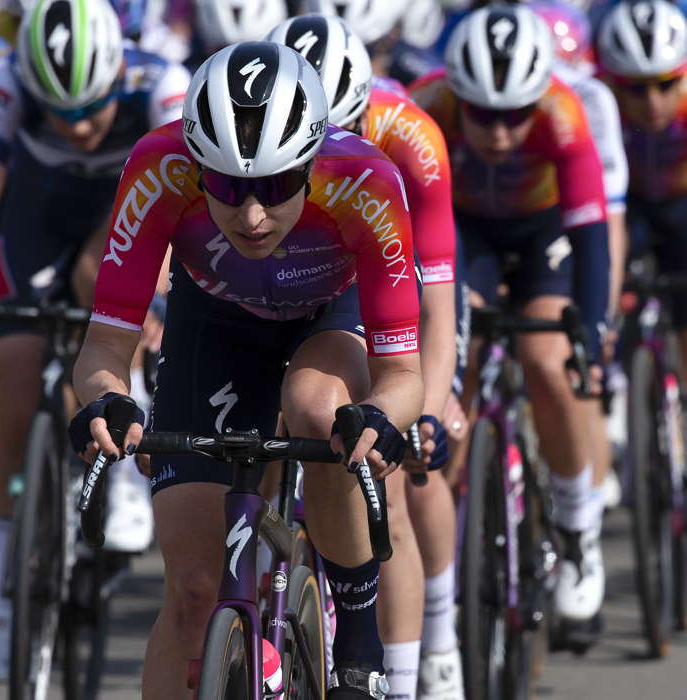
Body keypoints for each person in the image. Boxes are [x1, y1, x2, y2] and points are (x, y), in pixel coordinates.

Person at [69, 41, 425, 700]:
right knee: (194, 593)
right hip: (217, 324)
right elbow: (103, 353)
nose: (253, 215)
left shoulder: (369, 184)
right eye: (228, 188)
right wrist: (107, 400)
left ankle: (357, 633)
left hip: (326, 316)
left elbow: (404, 372)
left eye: (279, 185)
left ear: (314, 162)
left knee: (319, 407)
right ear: (198, 169)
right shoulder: (158, 168)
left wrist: (381, 416)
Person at [0, 0, 190, 679]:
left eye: (90, 111)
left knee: (95, 274)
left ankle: (125, 438)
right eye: (59, 113)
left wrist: (156, 299)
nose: (76, 127)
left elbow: (180, 207)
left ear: (118, 76)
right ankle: (9, 600)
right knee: (12, 375)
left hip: (124, 217)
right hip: (36, 214)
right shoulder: (7, 77)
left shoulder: (159, 82)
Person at [268, 14, 461, 700]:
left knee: (394, 484)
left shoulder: (409, 137)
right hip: (272, 295)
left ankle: (411, 673)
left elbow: (435, 302)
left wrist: (427, 412)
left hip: (377, 291)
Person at [410, 3, 610, 651]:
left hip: (544, 227)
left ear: (537, 99)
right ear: (456, 94)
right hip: (465, 230)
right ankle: (446, 526)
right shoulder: (428, 105)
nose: (498, 133)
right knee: (451, 362)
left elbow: (590, 231)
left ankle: (579, 532)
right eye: (483, 116)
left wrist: (594, 328)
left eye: (513, 116)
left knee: (546, 358)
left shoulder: (562, 112)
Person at [532, 0, 629, 508]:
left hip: (562, 219)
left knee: (561, 357)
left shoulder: (587, 100)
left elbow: (605, 221)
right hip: (498, 226)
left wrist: (600, 323)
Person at [597, 0, 687, 382]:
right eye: (635, 88)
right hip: (628, 203)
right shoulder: (597, 98)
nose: (652, 101)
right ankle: (616, 368)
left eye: (666, 84)